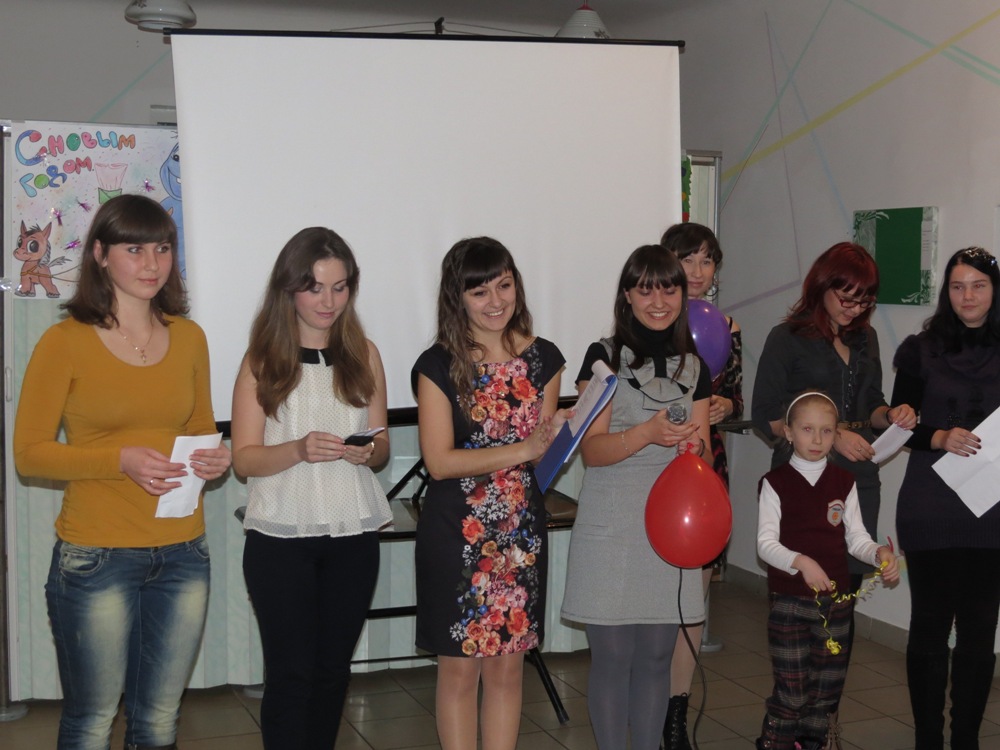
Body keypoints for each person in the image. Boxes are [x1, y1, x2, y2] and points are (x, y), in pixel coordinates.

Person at [13, 193, 232, 750]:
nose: (152, 263)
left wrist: (214, 458)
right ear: (100, 255)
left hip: (183, 552)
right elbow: (29, 454)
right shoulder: (63, 342)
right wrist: (118, 460)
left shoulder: (190, 337)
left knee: (159, 720)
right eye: (134, 250)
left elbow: (199, 428)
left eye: (162, 248)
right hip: (96, 557)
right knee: (92, 720)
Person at [230, 227, 391, 749]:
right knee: (290, 675)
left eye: (340, 288)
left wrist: (369, 452)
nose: (329, 301)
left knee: (332, 673)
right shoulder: (261, 360)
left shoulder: (364, 354)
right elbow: (244, 459)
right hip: (280, 537)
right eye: (315, 288)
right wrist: (298, 449)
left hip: (353, 535)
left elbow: (382, 446)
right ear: (289, 289)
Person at [412, 237, 566, 750]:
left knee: (507, 670)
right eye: (480, 292)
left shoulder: (543, 359)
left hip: (520, 533)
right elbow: (439, 462)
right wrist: (523, 448)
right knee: (459, 672)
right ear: (457, 298)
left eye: (504, 286)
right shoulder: (438, 364)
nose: (496, 301)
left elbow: (542, 458)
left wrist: (565, 432)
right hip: (457, 535)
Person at [561, 244, 713, 750]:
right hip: (612, 525)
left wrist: (693, 449)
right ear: (627, 295)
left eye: (669, 289)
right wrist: (647, 434)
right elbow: (592, 451)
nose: (658, 301)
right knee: (613, 658)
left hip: (671, 531)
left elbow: (703, 452)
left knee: (655, 659)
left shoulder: (696, 367)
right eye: (645, 290)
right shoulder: (602, 357)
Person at [890, 247, 1000, 750]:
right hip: (931, 506)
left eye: (978, 285)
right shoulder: (921, 349)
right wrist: (938, 436)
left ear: (994, 290)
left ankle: (966, 740)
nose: (967, 296)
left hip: (991, 512)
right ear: (946, 292)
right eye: (957, 287)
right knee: (930, 630)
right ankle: (928, 739)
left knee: (979, 634)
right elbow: (900, 424)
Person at [756, 391, 899, 750]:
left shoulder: (844, 482)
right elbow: (765, 545)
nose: (817, 439)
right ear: (789, 432)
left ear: (836, 434)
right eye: (807, 429)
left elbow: (856, 539)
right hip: (789, 602)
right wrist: (801, 562)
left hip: (835, 603)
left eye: (826, 430)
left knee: (825, 691)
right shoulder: (775, 483)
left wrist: (878, 553)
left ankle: (812, 741)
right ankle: (774, 741)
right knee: (792, 693)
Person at [660, 222, 743, 750]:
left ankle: (676, 713)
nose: (696, 271)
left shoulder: (727, 327)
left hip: (705, 469)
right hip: (651, 466)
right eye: (686, 259)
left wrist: (725, 404)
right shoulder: (646, 321)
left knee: (693, 601)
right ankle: (645, 702)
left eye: (706, 260)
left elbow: (737, 397)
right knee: (651, 600)